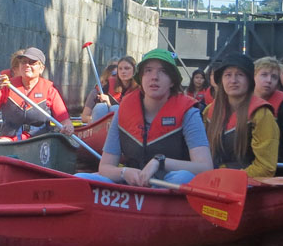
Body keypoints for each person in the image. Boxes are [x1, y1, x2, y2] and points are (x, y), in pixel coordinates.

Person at [87, 49, 213, 187]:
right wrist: (124, 172)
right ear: (140, 78)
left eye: (163, 71)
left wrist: (160, 162)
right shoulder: (123, 109)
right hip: (131, 186)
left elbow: (205, 168)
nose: (154, 77)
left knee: (183, 177)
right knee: (80, 177)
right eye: (148, 70)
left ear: (172, 81)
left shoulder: (189, 112)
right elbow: (105, 167)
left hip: (169, 185)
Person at [0, 47, 69, 142]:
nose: (27, 65)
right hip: (9, 138)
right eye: (23, 62)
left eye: (32, 62)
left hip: (39, 140)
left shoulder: (50, 91)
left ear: (41, 68)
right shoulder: (7, 86)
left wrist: (68, 127)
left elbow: (64, 120)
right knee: (0, 144)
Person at [202, 54, 278, 178]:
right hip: (212, 181)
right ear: (221, 80)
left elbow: (266, 168)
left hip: (247, 186)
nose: (233, 80)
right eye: (228, 75)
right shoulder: (208, 111)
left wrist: (228, 178)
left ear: (249, 80)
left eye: (240, 75)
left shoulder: (262, 114)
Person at [81, 55, 137, 124]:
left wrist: (109, 103)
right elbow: (84, 117)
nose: (123, 72)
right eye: (120, 69)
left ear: (134, 70)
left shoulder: (139, 90)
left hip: (127, 125)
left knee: (115, 108)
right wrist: (94, 120)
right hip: (102, 126)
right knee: (101, 107)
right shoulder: (100, 89)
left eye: (127, 68)